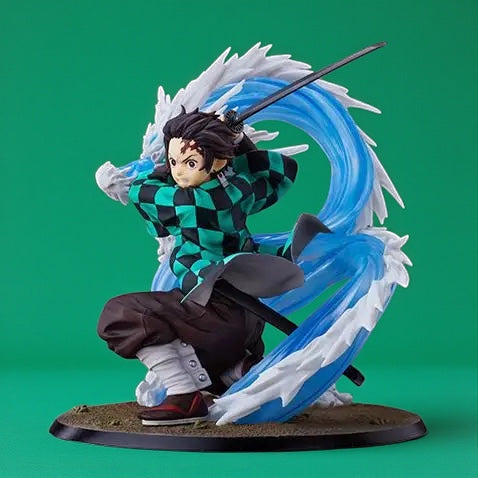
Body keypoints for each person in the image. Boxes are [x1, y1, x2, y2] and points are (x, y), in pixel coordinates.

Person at [97, 108, 305, 425]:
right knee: (180, 333)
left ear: (218, 162)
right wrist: (237, 141)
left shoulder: (189, 202)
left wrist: (160, 167)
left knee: (120, 315)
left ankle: (184, 395)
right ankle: (234, 373)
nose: (179, 173)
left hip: (214, 310)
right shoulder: (240, 189)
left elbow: (141, 191)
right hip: (247, 316)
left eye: (190, 163)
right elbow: (279, 172)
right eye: (174, 162)